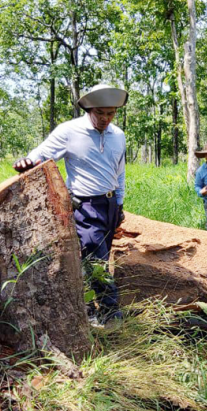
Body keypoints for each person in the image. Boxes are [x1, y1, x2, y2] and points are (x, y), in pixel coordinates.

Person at [13, 84, 128, 324]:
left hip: (109, 204)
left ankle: (87, 309)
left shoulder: (118, 135)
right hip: (84, 206)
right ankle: (111, 314)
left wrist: (119, 204)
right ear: (89, 109)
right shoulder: (69, 131)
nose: (105, 118)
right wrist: (28, 161)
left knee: (98, 259)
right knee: (96, 260)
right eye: (100, 113)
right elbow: (43, 153)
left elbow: (120, 172)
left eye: (111, 113)